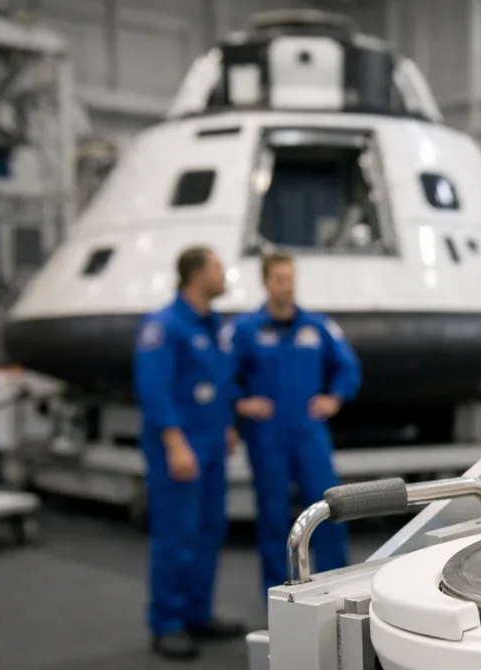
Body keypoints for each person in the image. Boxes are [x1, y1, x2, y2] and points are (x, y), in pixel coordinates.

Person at [134, 246, 245, 660]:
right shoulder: (163, 326)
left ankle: (198, 613)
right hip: (179, 445)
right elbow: (154, 389)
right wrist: (175, 443)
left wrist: (228, 425)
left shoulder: (214, 325)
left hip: (211, 441)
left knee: (208, 531)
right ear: (197, 274)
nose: (224, 274)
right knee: (176, 535)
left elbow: (220, 382)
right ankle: (167, 623)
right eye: (217, 267)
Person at [230, 251, 362, 595]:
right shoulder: (246, 329)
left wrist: (334, 397)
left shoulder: (317, 326)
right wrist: (241, 402)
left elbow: (348, 368)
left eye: (290, 279)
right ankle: (280, 595)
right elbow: (224, 375)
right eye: (279, 279)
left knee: (328, 509)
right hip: (267, 436)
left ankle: (337, 589)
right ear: (266, 282)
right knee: (273, 517)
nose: (286, 286)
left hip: (309, 432)